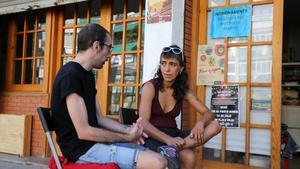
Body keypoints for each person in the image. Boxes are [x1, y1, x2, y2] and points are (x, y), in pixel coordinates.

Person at [51, 23, 167, 169]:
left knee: (159, 157)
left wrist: (128, 130)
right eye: (109, 47)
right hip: (81, 151)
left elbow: (98, 118)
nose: (111, 54)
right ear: (96, 46)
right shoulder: (70, 76)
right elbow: (84, 131)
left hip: (94, 145)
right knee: (157, 162)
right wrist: (126, 138)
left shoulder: (87, 75)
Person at [139, 44, 222, 169]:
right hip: (153, 135)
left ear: (181, 68)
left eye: (172, 64)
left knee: (216, 125)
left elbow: (208, 113)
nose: (166, 69)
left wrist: (200, 123)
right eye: (163, 63)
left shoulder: (182, 89)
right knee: (189, 156)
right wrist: (168, 140)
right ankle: (172, 147)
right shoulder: (150, 87)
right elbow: (143, 123)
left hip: (174, 135)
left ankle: (171, 149)